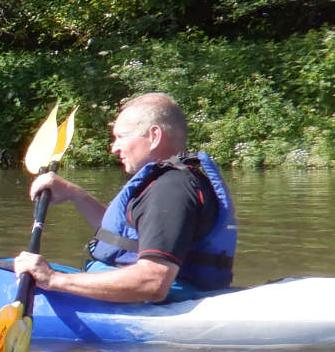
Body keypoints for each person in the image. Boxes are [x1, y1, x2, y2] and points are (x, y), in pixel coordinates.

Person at [13, 93, 236, 303]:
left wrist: (53, 279)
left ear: (154, 136)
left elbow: (154, 281)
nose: (114, 148)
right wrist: (75, 194)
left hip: (162, 305)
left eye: (121, 137)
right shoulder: (166, 182)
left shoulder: (170, 190)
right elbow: (122, 237)